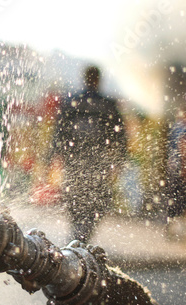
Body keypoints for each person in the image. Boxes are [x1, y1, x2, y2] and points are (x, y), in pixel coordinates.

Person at [53, 65, 128, 242]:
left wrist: (56, 157)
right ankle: (84, 234)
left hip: (74, 160)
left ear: (85, 79)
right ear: (98, 80)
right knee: (98, 200)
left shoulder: (72, 101)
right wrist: (118, 161)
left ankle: (77, 234)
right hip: (98, 161)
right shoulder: (108, 105)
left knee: (74, 198)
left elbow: (59, 133)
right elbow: (120, 137)